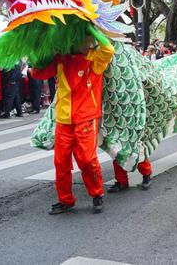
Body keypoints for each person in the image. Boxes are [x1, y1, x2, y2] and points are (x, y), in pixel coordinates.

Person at [31, 26, 114, 215]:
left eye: (84, 39)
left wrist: (90, 28)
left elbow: (109, 49)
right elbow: (37, 73)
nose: (81, 42)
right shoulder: (61, 58)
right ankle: (65, 200)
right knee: (61, 162)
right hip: (63, 119)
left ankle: (97, 194)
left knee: (87, 159)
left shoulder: (95, 58)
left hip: (86, 117)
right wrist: (38, 47)